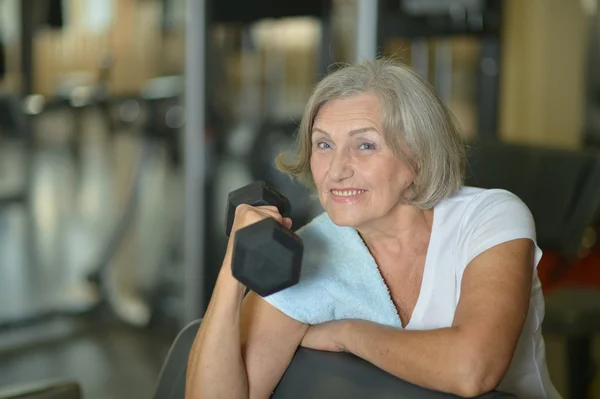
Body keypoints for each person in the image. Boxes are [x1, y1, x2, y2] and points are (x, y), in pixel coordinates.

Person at [185, 58, 560, 399]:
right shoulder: (310, 253)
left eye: (365, 145)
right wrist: (234, 266)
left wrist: (347, 334)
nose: (336, 169)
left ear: (418, 155)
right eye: (324, 144)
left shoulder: (489, 217)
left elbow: (473, 369)